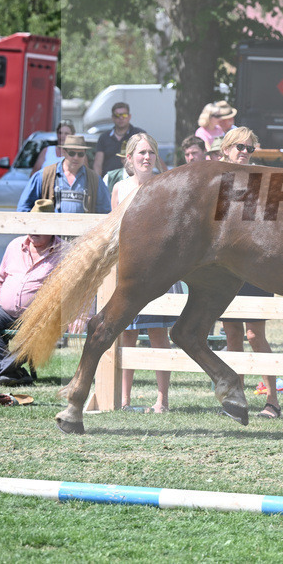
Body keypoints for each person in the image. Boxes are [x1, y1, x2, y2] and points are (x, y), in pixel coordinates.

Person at [217, 127, 282, 419]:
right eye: (239, 147)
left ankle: (273, 400)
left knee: (255, 335)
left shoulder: (261, 179)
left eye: (249, 148)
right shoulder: (216, 179)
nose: (244, 152)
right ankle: (237, 398)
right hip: (225, 267)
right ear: (226, 149)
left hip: (255, 266)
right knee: (232, 334)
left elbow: (270, 223)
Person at [0, 200, 62, 385]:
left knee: (44, 324)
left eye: (40, 226)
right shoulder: (15, 245)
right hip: (6, 311)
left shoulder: (63, 252)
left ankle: (3, 371)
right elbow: (0, 278)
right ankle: (12, 371)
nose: (34, 231)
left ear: (53, 228)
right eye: (31, 225)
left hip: (40, 317)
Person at [112, 133, 173, 413]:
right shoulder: (120, 188)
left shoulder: (167, 185)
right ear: (129, 158)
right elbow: (114, 232)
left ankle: (162, 400)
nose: (146, 158)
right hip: (129, 270)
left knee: (159, 333)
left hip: (161, 268)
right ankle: (124, 400)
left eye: (150, 153)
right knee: (128, 334)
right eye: (141, 153)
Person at [17, 134, 111, 214]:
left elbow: (105, 212)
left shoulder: (95, 179)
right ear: (64, 153)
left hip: (83, 234)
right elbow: (24, 208)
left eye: (80, 154)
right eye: (72, 153)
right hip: (50, 233)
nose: (76, 157)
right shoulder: (43, 176)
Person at [93, 102, 164, 177]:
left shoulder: (139, 134)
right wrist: (99, 183)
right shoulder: (104, 137)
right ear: (112, 117)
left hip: (136, 180)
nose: (121, 118)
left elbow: (154, 156)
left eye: (124, 115)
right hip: (110, 181)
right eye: (117, 115)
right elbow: (98, 164)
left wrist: (165, 175)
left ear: (129, 116)